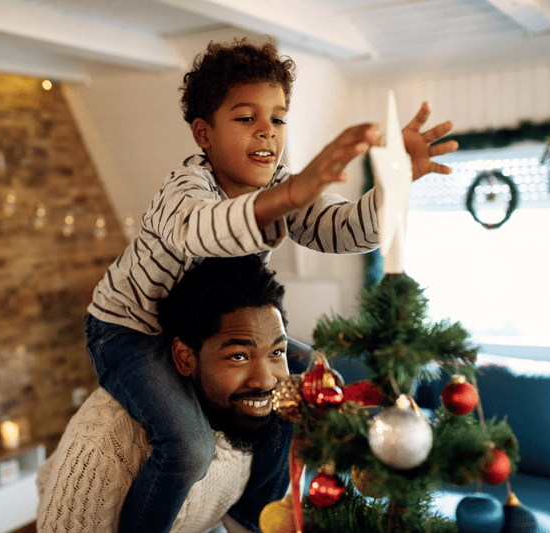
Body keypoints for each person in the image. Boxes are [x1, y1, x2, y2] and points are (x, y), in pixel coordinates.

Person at [85, 38, 458, 533]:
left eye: (278, 119)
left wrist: (394, 184)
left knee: (305, 383)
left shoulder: (278, 186)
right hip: (131, 331)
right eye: (245, 118)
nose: (267, 130)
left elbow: (346, 230)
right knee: (189, 447)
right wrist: (287, 195)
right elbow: (206, 230)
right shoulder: (185, 192)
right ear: (204, 134)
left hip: (206, 332)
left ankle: (251, 512)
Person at [38, 256, 300, 533]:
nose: (265, 380)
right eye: (238, 356)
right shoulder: (110, 442)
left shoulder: (256, 417)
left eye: (276, 352)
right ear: (185, 358)